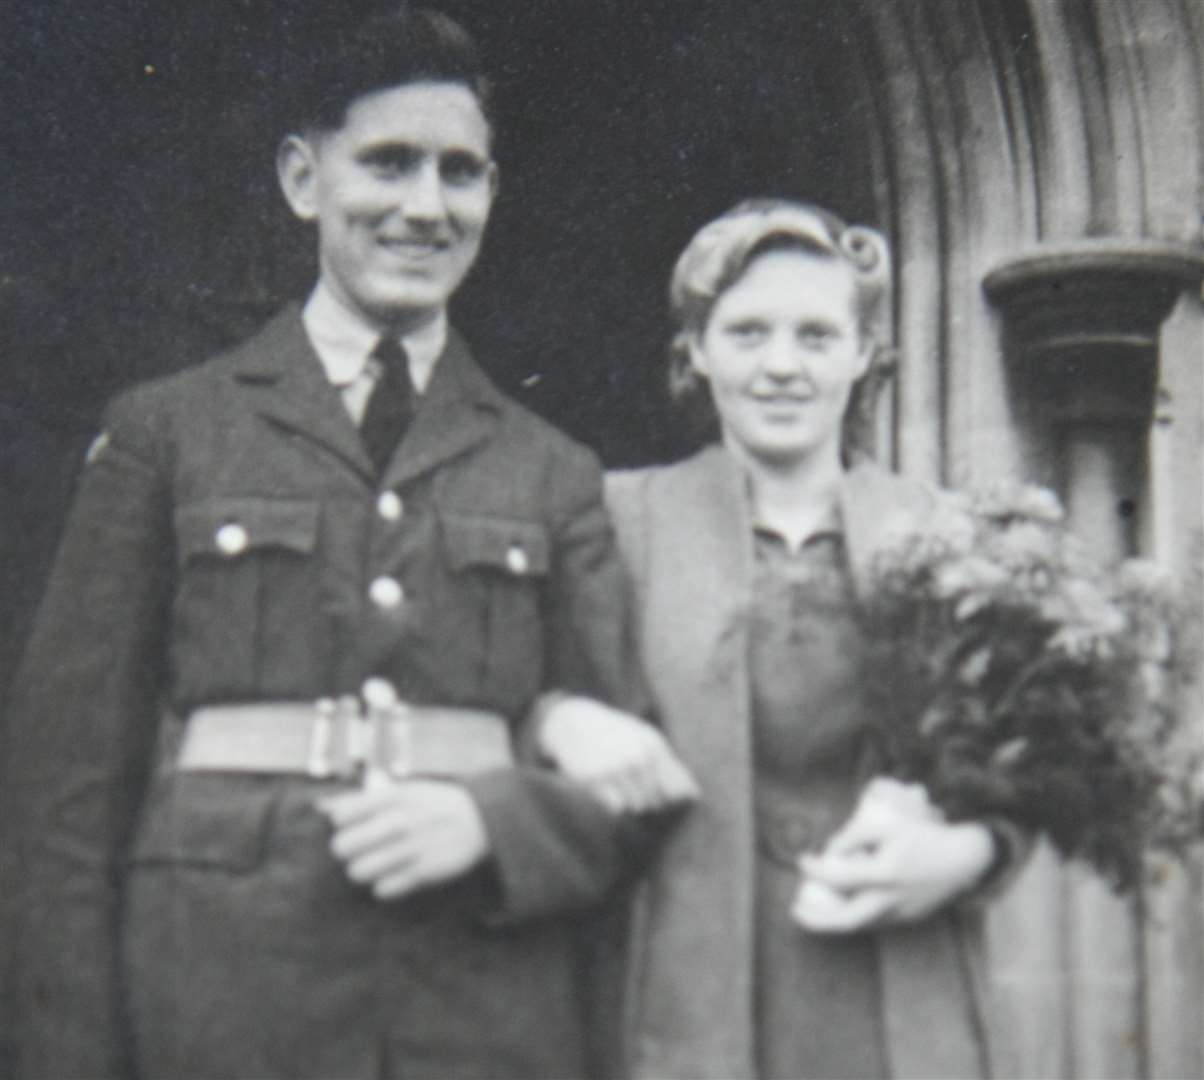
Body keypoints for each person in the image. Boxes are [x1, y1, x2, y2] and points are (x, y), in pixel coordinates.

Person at [0, 9, 693, 1079]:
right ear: (302, 179)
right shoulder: (168, 433)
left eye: (460, 174)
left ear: (491, 198)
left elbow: (633, 780)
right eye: (388, 164)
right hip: (221, 1006)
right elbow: (62, 797)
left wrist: (492, 824)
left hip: (480, 1011)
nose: (425, 206)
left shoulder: (551, 469)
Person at [539, 199, 1030, 1079]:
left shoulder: (947, 532)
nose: (780, 366)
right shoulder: (620, 519)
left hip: (897, 969)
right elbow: (532, 695)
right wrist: (555, 718)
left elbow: (1023, 768)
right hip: (688, 973)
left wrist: (970, 852)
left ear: (863, 354)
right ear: (698, 351)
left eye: (814, 335)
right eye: (748, 332)